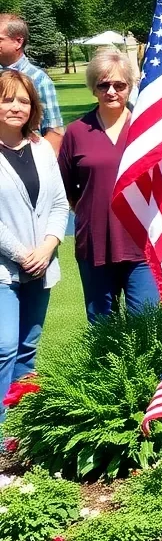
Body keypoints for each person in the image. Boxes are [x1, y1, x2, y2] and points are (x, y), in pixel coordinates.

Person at [57, 48, 160, 323]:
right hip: (95, 244)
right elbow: (66, 189)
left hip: (144, 244)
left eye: (119, 85)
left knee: (148, 323)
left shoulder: (148, 128)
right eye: (103, 85)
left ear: (130, 86)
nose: (111, 91)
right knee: (102, 328)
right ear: (94, 88)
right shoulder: (76, 132)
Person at [0, 71, 68, 420]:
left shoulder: (41, 148)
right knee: (4, 347)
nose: (16, 107)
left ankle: (21, 429)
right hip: (4, 270)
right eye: (7, 99)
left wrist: (48, 246)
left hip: (42, 264)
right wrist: (22, 253)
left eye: (23, 100)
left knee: (27, 349)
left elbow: (59, 203)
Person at [0, 13, 64, 154]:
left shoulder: (39, 80)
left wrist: (40, 167)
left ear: (18, 42)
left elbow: (55, 133)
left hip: (24, 161)